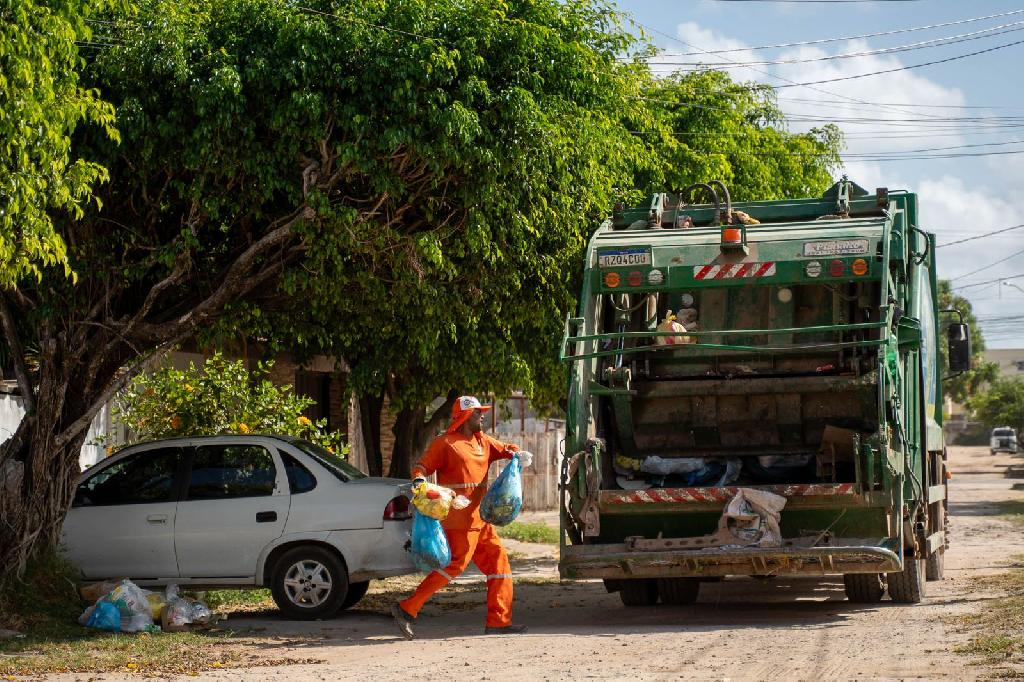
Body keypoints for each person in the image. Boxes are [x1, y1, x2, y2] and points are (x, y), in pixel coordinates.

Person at [391, 395, 533, 639]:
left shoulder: (483, 442)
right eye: (478, 412)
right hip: (459, 521)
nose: (482, 416)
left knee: (499, 565)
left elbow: (507, 449)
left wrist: (518, 454)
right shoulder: (445, 443)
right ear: (465, 416)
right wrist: (419, 482)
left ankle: (499, 622)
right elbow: (421, 468)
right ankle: (406, 608)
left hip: (482, 520)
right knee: (454, 566)